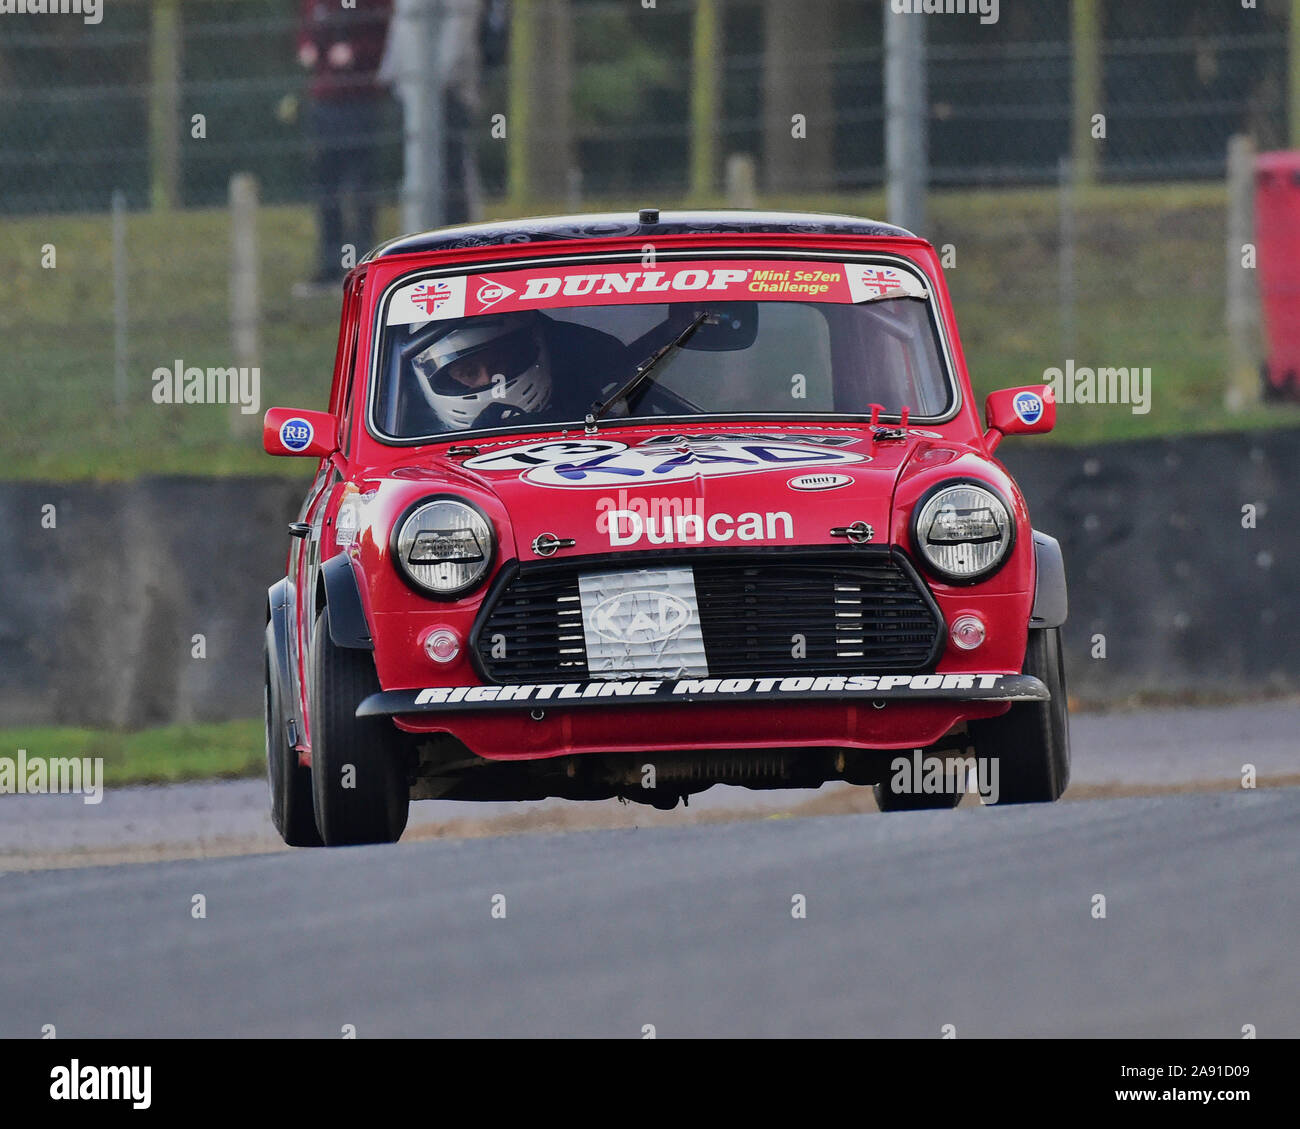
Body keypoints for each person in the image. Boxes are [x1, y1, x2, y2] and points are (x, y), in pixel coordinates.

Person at [296, 0, 393, 288]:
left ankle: (365, 266)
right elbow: (305, 27)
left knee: (360, 185)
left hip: (360, 100)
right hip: (324, 100)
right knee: (326, 187)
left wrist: (357, 53)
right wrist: (307, 46)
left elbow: (385, 35)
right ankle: (329, 265)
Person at [412, 312, 634, 432]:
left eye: (498, 363)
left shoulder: (593, 404)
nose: (489, 380)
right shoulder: (406, 431)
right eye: (468, 372)